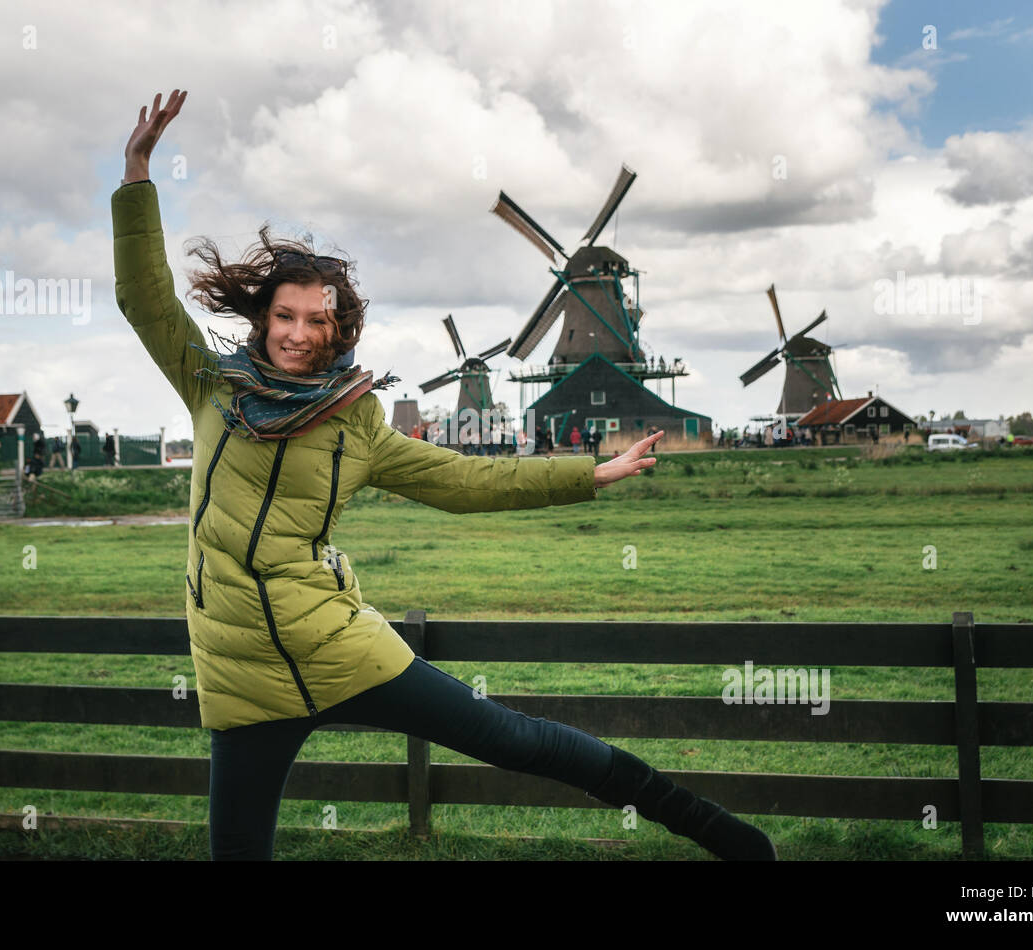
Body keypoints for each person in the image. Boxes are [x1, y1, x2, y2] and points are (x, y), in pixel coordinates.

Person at [113, 88, 775, 862]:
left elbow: (465, 482)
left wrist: (587, 474)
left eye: (315, 320)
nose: (296, 334)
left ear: (338, 329)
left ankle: (715, 830)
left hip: (338, 643)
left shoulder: (356, 424)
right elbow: (144, 299)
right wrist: (136, 175)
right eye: (283, 317)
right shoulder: (211, 386)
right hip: (242, 673)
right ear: (263, 320)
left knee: (510, 737)